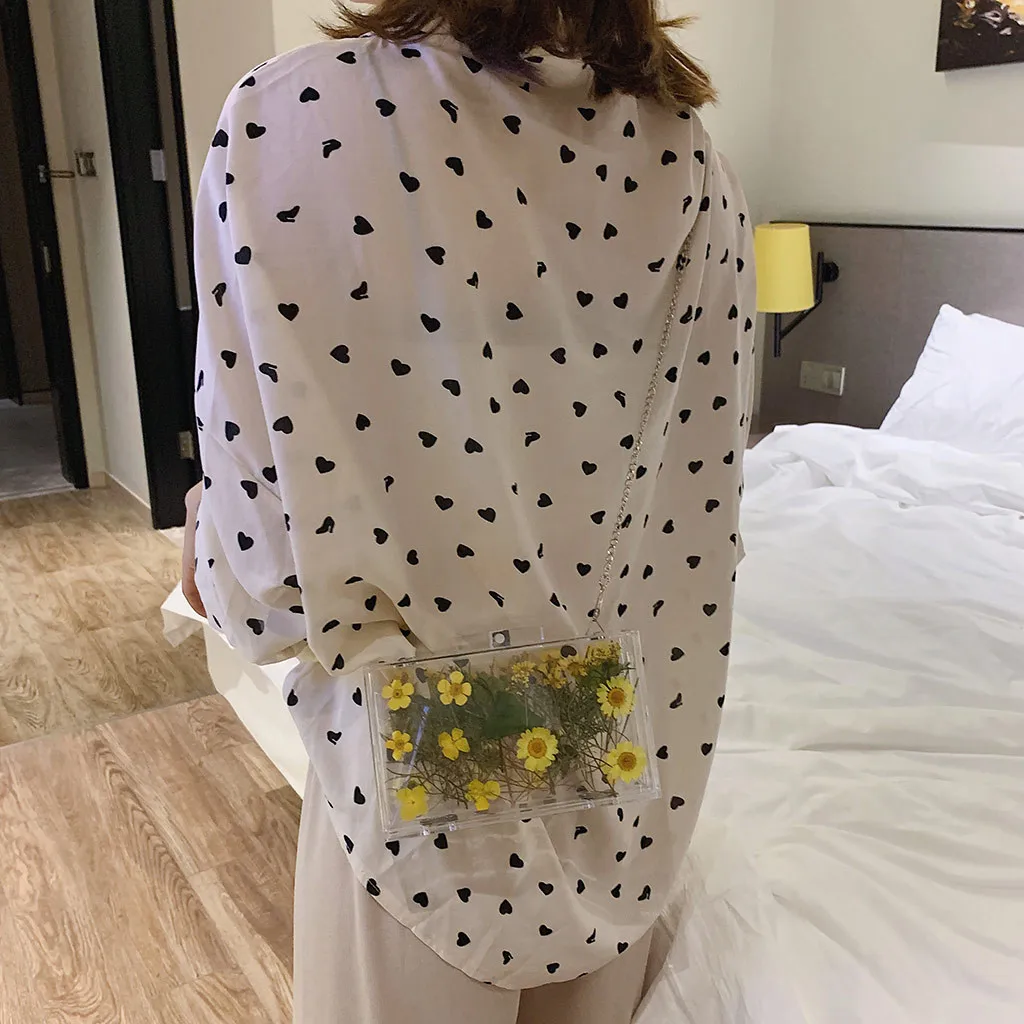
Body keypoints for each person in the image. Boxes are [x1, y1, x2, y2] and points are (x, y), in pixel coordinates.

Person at [181, 1, 755, 1020]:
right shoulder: (688, 158)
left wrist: (210, 556)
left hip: (408, 777)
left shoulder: (293, 115)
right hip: (617, 759)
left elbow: (259, 574)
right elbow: (702, 515)